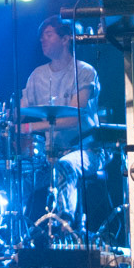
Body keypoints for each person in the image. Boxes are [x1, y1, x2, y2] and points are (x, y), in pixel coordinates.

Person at [19, 15, 100, 228]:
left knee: (65, 167)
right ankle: (17, 231)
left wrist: (29, 127)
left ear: (65, 39)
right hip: (51, 154)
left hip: (88, 149)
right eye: (42, 36)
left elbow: (74, 118)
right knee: (21, 178)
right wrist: (2, 116)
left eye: (48, 34)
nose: (42, 40)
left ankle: (65, 227)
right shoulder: (37, 75)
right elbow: (21, 108)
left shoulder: (84, 71)